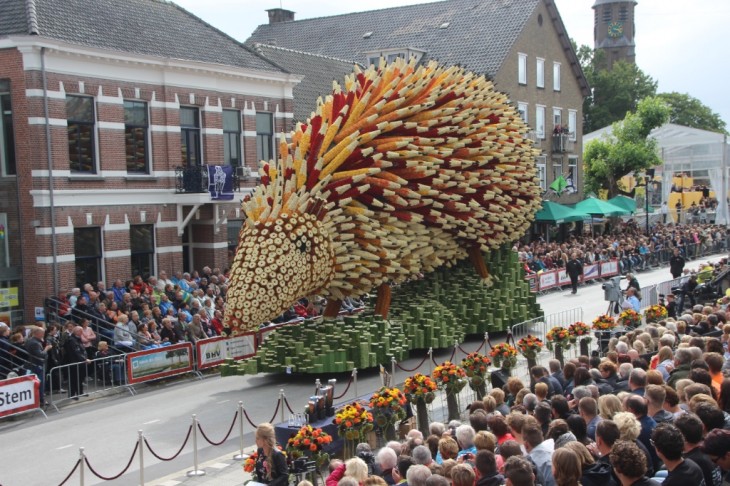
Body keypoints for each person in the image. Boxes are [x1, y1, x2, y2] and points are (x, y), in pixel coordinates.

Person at [25, 326, 51, 406]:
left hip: (36, 364)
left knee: (39, 383)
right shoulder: (34, 343)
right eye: (42, 333)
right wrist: (46, 348)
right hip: (37, 365)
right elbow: (40, 354)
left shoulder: (32, 341)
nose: (43, 335)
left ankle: (40, 400)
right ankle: (41, 400)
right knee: (40, 383)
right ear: (38, 334)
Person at [63, 326, 91, 399]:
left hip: (80, 362)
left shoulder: (77, 339)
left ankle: (80, 392)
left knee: (80, 378)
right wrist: (84, 359)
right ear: (77, 332)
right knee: (73, 378)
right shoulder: (72, 340)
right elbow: (76, 352)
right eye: (81, 331)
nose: (82, 333)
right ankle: (72, 394)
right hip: (74, 362)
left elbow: (81, 349)